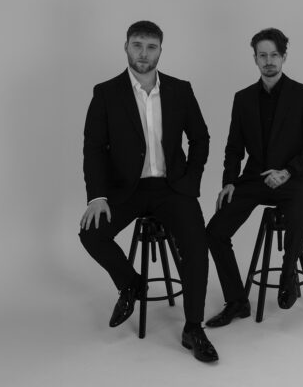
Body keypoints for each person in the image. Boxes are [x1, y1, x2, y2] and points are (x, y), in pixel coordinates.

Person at [79, 20, 218, 362]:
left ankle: (193, 327)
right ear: (126, 46)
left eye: (151, 46)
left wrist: (190, 182)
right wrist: (97, 196)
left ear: (160, 50)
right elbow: (94, 148)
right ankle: (131, 284)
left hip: (172, 188)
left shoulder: (180, 89)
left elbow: (200, 138)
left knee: (197, 249)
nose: (144, 53)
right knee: (91, 234)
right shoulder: (106, 93)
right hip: (127, 189)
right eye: (137, 45)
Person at [205, 28, 303, 327]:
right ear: (255, 59)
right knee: (215, 232)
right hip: (255, 179)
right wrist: (229, 182)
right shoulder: (243, 98)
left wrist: (288, 172)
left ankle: (288, 276)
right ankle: (236, 301)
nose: (269, 61)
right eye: (263, 55)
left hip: (292, 179)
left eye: (274, 55)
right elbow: (234, 147)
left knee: (299, 218)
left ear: (284, 56)